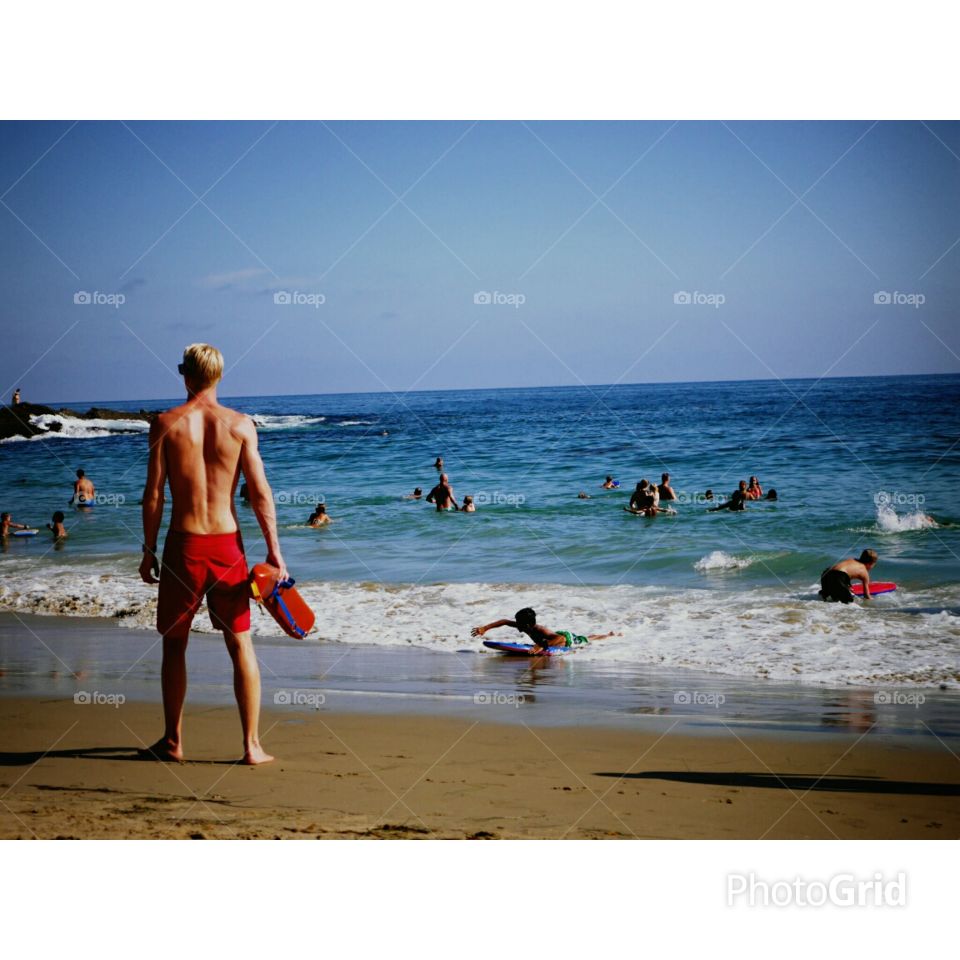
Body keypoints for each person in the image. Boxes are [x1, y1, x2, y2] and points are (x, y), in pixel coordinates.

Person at [138, 343, 284, 765]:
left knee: (174, 646)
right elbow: (260, 493)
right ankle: (251, 747)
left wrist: (148, 550)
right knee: (240, 643)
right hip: (227, 547)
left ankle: (173, 742)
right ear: (219, 376)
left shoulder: (165, 424)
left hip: (183, 546)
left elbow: (153, 495)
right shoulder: (240, 425)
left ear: (185, 374)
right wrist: (275, 552)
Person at [471, 607, 618, 654]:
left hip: (566, 638)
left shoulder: (540, 630)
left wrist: (539, 646)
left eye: (520, 625)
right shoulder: (522, 625)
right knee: (585, 637)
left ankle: (608, 635)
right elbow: (504, 621)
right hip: (552, 638)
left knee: (585, 639)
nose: (517, 626)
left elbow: (560, 639)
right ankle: (604, 634)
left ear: (529, 625)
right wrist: (485, 628)